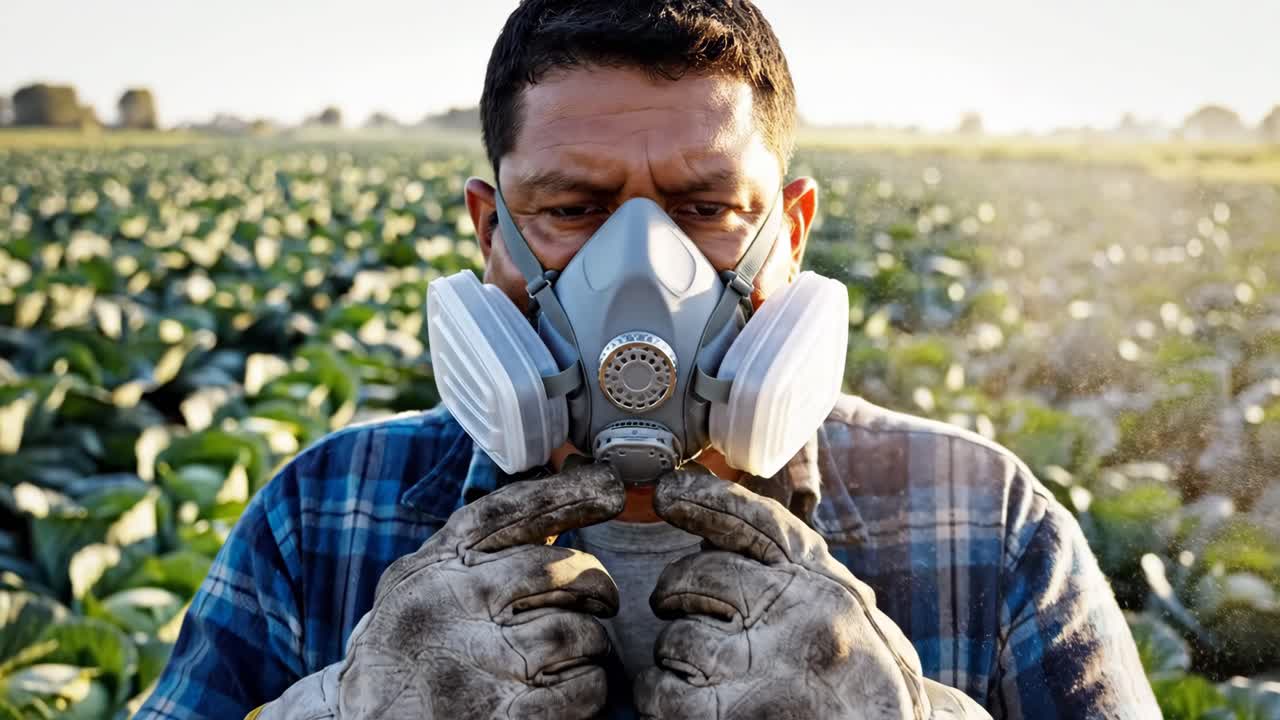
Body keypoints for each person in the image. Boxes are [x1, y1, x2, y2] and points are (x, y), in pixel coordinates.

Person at [137, 1, 1160, 718]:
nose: (640, 273)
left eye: (706, 210)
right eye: (573, 210)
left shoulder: (978, 519)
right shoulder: (321, 512)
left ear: (789, 233)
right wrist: (341, 713)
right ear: (488, 231)